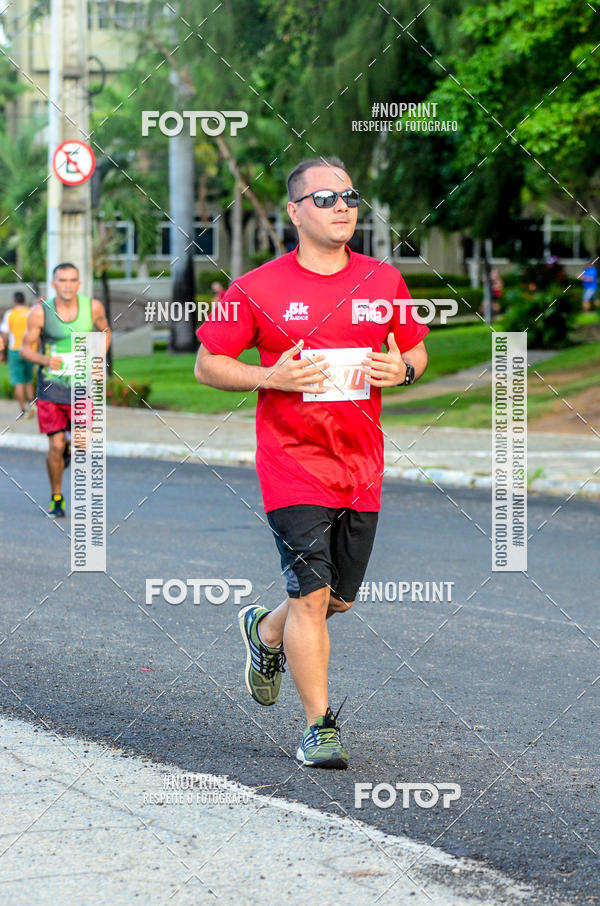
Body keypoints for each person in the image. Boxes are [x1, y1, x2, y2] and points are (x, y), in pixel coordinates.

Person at [195, 157, 428, 769]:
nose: (343, 207)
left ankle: (264, 631)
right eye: (325, 199)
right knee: (310, 594)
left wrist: (401, 369)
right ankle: (318, 727)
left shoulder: (383, 280)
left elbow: (417, 352)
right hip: (291, 464)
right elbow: (208, 364)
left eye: (349, 196)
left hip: (360, 465)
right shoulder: (257, 287)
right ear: (295, 211)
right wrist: (269, 374)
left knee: (336, 600)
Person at [20, 263, 110, 517]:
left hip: (82, 386)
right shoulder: (40, 313)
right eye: (62, 280)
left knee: (82, 442)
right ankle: (57, 497)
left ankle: (69, 450)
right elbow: (25, 350)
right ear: (53, 284)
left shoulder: (93, 308)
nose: (67, 285)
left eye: (72, 280)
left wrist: (98, 357)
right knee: (55, 446)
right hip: (51, 387)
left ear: (79, 284)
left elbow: (105, 332)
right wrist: (46, 360)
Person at [0, 291, 35, 418]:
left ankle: (23, 410)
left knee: (18, 381)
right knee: (29, 380)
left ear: (14, 301)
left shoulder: (10, 314)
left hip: (15, 350)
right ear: (24, 300)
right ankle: (32, 406)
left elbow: (4, 335)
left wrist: (2, 352)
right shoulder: (31, 312)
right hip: (30, 349)